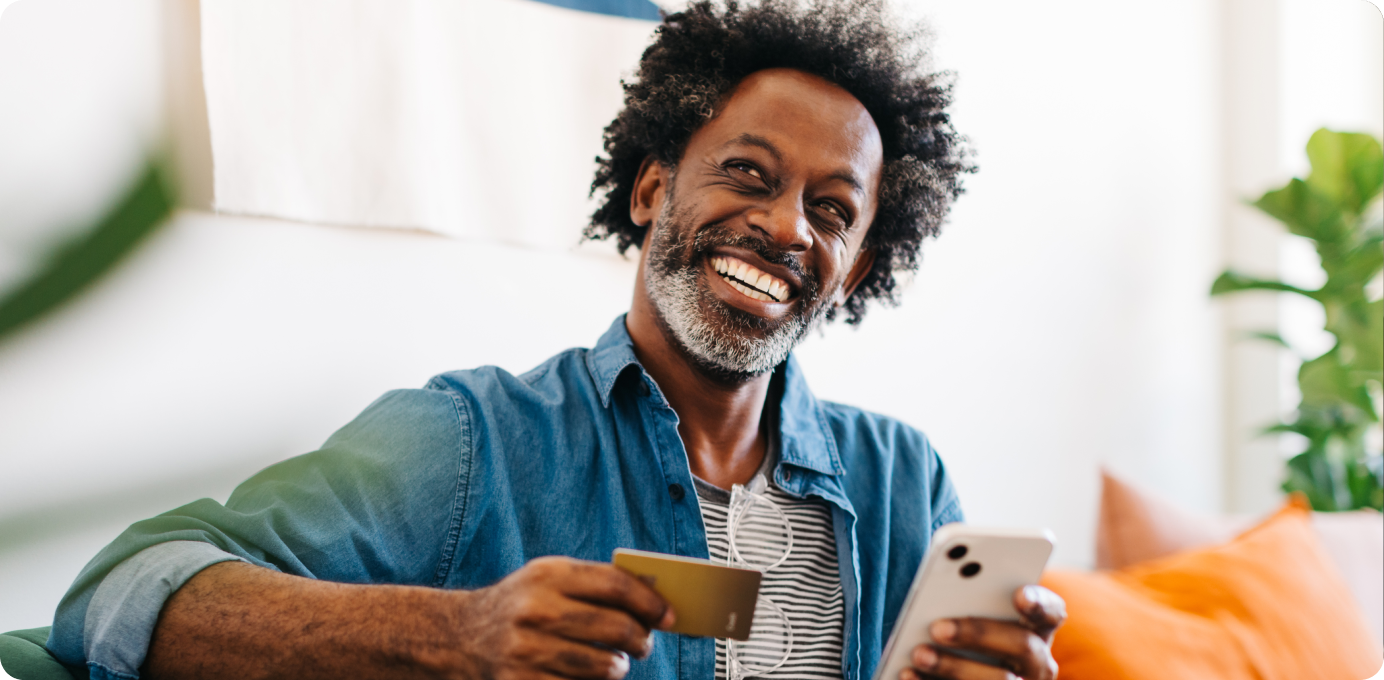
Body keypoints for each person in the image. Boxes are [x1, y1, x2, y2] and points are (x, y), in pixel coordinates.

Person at [48, 2, 1066, 680]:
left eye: (833, 210)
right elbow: (117, 594)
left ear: (857, 263)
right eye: (749, 174)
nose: (789, 226)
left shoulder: (902, 476)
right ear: (654, 187)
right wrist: (457, 631)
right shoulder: (464, 440)